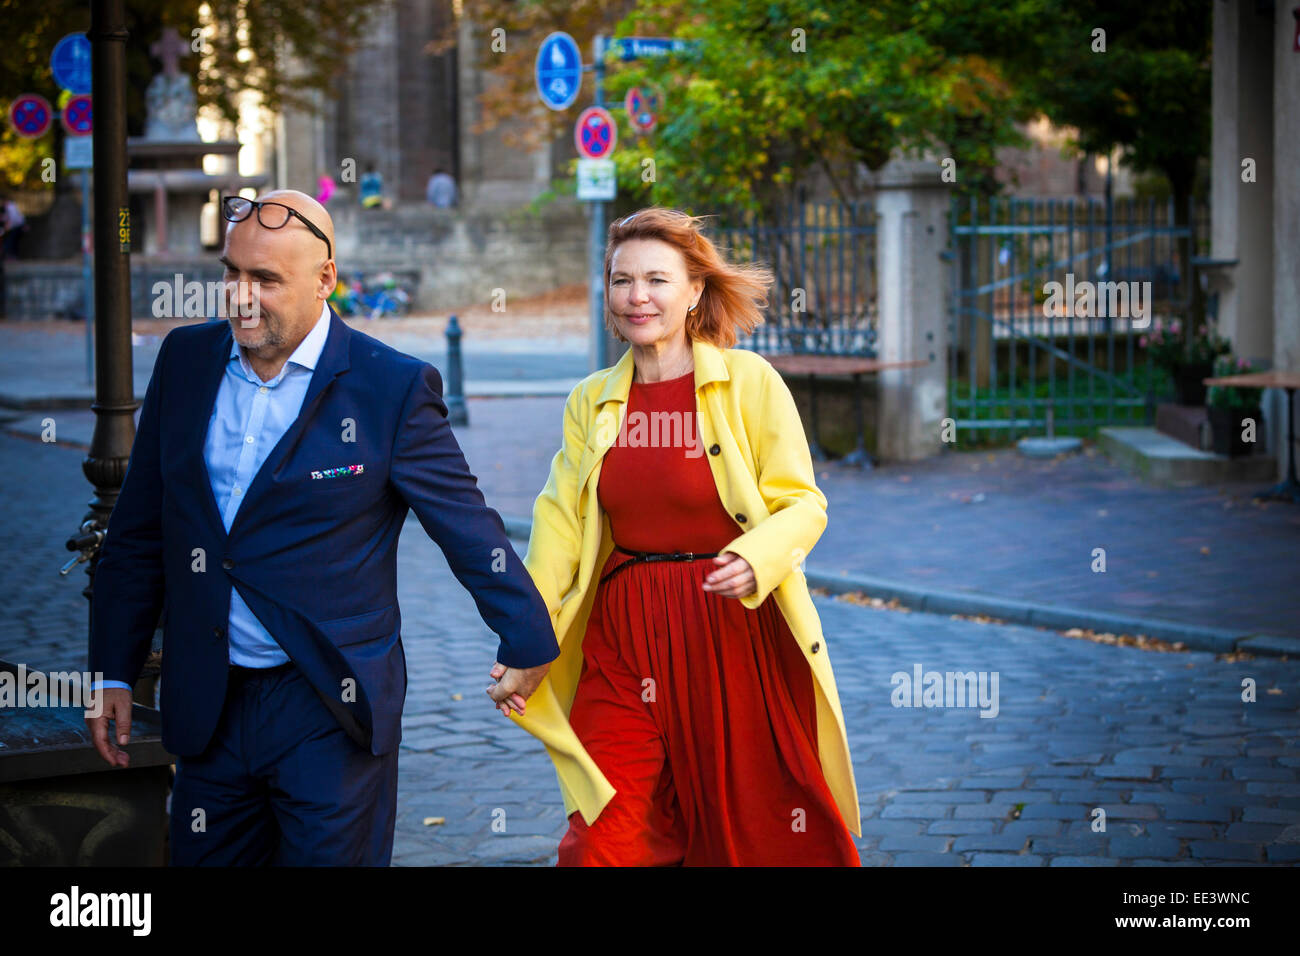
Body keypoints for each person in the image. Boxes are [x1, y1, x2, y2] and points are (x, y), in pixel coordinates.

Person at [85, 189, 556, 865]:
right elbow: (137, 533)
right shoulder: (186, 362)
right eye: (232, 273)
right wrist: (112, 674)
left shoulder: (387, 386)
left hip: (328, 707)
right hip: (207, 704)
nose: (241, 297)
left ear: (325, 280)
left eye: (266, 280)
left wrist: (527, 632)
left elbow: (464, 522)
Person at [510, 207, 862, 865]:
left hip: (730, 630)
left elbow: (803, 504)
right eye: (621, 280)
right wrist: (525, 633)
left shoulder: (750, 384)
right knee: (602, 838)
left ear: (694, 290)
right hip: (624, 639)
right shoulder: (590, 400)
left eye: (656, 279)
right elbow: (558, 526)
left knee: (749, 831)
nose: (636, 296)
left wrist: (757, 559)